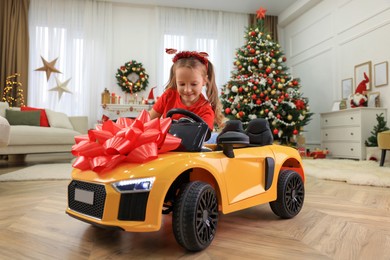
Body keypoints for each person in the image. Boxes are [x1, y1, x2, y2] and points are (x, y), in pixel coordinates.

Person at [149, 49, 225, 131]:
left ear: (204, 81)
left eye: (194, 84)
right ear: (175, 81)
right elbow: (148, 120)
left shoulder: (206, 110)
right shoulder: (168, 96)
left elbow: (201, 137)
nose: (187, 90)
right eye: (182, 84)